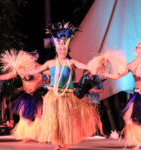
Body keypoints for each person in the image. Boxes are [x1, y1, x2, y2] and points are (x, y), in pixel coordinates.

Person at [25, 22, 101, 150]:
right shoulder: (50, 63)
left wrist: (95, 65)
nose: (62, 50)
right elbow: (36, 70)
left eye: (64, 49)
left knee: (65, 121)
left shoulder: (71, 62)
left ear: (67, 49)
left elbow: (84, 66)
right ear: (56, 49)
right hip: (53, 95)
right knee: (54, 121)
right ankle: (57, 143)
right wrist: (25, 71)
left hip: (67, 96)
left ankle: (65, 144)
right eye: (60, 48)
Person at [0, 50, 44, 142]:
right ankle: (28, 135)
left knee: (38, 116)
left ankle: (41, 136)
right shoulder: (21, 68)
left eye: (33, 57)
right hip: (26, 95)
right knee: (23, 117)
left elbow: (48, 73)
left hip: (37, 95)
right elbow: (8, 76)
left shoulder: (39, 67)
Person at [101, 43, 141, 150]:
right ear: (136, 49)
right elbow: (118, 75)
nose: (139, 48)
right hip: (137, 94)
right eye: (138, 47)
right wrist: (106, 74)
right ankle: (138, 140)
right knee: (127, 116)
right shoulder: (131, 65)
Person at [79, 70, 104, 136]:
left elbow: (102, 89)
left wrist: (94, 90)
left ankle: (101, 132)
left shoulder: (97, 78)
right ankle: (88, 132)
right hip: (86, 100)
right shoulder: (84, 78)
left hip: (95, 100)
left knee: (97, 117)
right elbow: (80, 87)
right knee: (87, 117)